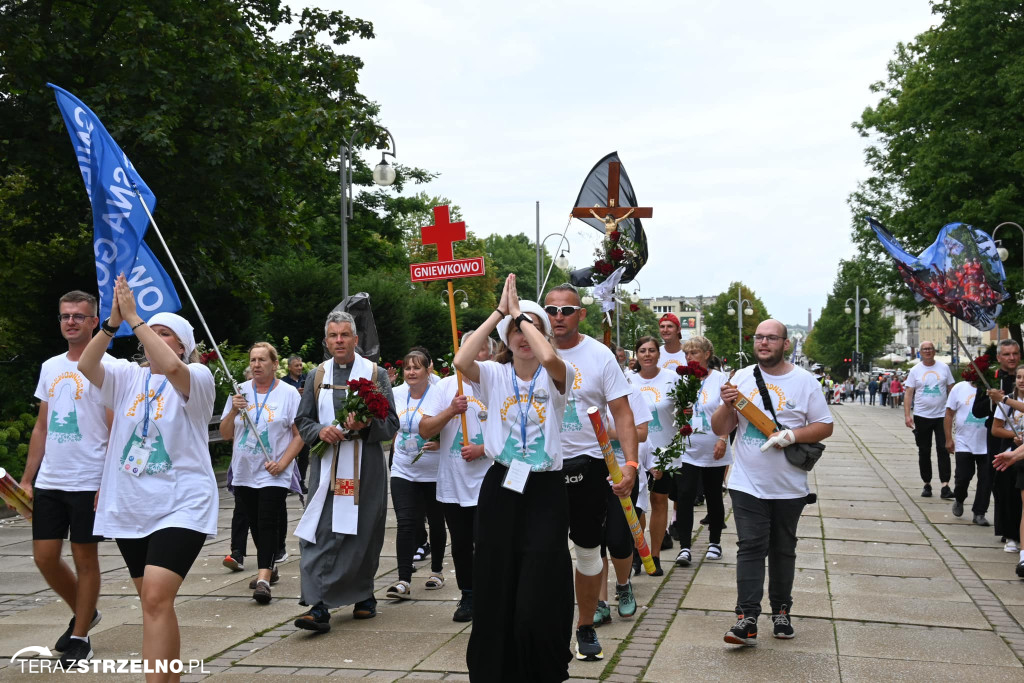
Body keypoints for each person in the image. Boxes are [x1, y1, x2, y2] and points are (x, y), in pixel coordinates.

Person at [79, 274, 218, 682]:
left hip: (182, 503)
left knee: (156, 597)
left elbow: (172, 366)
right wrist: (111, 323)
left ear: (182, 344)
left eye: (164, 333)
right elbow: (87, 364)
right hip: (131, 505)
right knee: (154, 605)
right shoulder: (126, 376)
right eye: (149, 333)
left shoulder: (197, 377)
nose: (152, 338)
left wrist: (137, 317)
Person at [455, 274, 573, 681]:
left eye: (533, 330)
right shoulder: (494, 375)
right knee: (496, 576)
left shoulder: (559, 374)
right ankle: (496, 666)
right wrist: (500, 314)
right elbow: (460, 361)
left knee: (539, 581)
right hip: (503, 484)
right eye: (516, 332)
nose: (523, 337)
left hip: (544, 490)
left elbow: (551, 360)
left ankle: (541, 664)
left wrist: (523, 317)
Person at [713, 320, 833, 646]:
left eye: (771, 338)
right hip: (746, 482)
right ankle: (746, 618)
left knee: (783, 549)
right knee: (750, 547)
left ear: (785, 344)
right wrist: (726, 404)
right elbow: (719, 427)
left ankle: (781, 610)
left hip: (789, 485)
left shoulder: (804, 381)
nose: (764, 343)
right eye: (759, 338)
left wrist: (791, 435)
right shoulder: (739, 377)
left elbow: (825, 425)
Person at [17, 291, 118, 667]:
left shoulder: (110, 367)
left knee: (84, 558)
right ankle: (85, 611)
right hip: (51, 479)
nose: (71, 322)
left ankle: (80, 637)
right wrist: (28, 479)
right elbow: (42, 426)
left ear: (95, 321)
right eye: (64, 316)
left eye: (78, 316)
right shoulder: (50, 367)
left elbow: (116, 429)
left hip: (88, 479)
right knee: (44, 557)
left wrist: (107, 482)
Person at [544, 283, 638, 662]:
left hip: (588, 464)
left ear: (581, 314)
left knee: (587, 552)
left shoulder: (599, 355)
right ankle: (547, 628)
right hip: (540, 468)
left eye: (566, 310)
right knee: (543, 553)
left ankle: (584, 626)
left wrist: (629, 464)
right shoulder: (530, 350)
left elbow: (623, 413)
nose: (558, 317)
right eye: (551, 310)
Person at [292, 311, 399, 630]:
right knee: (320, 532)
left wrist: (367, 424)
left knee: (363, 531)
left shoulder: (375, 374)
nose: (339, 340)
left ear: (356, 339)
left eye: (345, 335)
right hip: (327, 466)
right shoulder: (316, 375)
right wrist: (320, 432)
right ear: (326, 342)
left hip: (365, 465)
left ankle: (364, 593)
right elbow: (303, 420)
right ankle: (318, 604)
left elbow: (392, 423)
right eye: (333, 336)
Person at [219, 342, 304, 605]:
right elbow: (225, 434)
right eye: (253, 360)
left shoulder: (289, 394)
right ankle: (269, 566)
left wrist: (283, 463)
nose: (256, 365)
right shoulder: (240, 391)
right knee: (254, 522)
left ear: (275, 364)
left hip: (274, 471)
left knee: (267, 520)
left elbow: (299, 435)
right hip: (245, 469)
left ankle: (264, 578)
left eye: (262, 360)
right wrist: (234, 410)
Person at [419, 330, 493, 622]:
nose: (476, 355)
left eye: (483, 349)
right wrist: (451, 410)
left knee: (486, 541)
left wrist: (483, 449)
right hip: (454, 481)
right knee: (461, 542)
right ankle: (469, 595)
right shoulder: (446, 386)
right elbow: (425, 429)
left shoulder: (496, 382)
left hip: (488, 480)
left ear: (490, 353)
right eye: (470, 349)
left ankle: (491, 594)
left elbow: (515, 432)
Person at [386, 348, 448, 600]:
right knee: (406, 522)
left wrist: (441, 442)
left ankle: (436, 572)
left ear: (428, 369)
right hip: (402, 467)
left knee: (435, 521)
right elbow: (391, 423)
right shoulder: (396, 393)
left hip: (434, 470)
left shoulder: (440, 393)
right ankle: (403, 580)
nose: (411, 372)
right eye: (407, 368)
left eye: (416, 367)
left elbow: (455, 427)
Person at [672, 336, 731, 568]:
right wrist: (681, 413)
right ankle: (685, 546)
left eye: (694, 353)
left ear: (707, 355)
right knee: (685, 495)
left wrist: (723, 438)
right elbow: (675, 409)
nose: (689, 357)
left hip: (714, 447)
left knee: (713, 495)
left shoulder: (720, 379)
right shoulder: (684, 380)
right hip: (689, 448)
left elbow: (728, 410)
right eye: (687, 354)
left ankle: (714, 542)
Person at [630, 336, 678, 575]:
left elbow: (684, 408)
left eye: (651, 350)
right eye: (642, 350)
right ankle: (640, 552)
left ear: (659, 354)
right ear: (636, 355)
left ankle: (656, 555)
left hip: (665, 449)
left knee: (659, 502)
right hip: (636, 450)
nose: (647, 354)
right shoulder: (628, 380)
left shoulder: (671, 378)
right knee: (637, 506)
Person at [972, 340, 1020, 552]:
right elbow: (978, 411)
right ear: (999, 357)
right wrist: (993, 401)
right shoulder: (991, 380)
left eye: (1015, 354)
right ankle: (1007, 530)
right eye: (1007, 354)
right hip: (999, 439)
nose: (1012, 358)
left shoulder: (1022, 375)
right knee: (1002, 485)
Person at [904, 341, 955, 498]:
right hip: (921, 415)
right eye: (925, 349)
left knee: (943, 449)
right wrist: (907, 415)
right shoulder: (915, 370)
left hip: (941, 416)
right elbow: (909, 393)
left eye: (930, 349)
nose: (927, 351)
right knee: (924, 451)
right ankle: (927, 483)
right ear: (920, 352)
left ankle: (945, 485)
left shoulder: (944, 368)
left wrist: (955, 411)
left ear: (934, 351)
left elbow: (952, 389)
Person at [946, 376, 991, 525]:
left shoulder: (992, 389)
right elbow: (949, 413)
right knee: (963, 477)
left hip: (987, 443)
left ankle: (979, 512)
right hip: (963, 442)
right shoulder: (959, 388)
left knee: (986, 480)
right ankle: (959, 498)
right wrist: (948, 439)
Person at [989, 365, 1024, 553]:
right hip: (1013, 454)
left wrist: (1003, 399)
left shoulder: (1006, 400)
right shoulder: (1006, 402)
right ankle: (1011, 536)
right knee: (1010, 496)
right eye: (1018, 377)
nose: (1021, 380)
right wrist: (1013, 435)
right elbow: (996, 429)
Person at [281, 355, 310, 493]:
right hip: (288, 422)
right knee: (289, 452)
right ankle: (288, 481)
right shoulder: (283, 382)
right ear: (289, 367)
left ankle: (301, 481)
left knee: (304, 453)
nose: (299, 368)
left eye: (300, 365)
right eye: (296, 365)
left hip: (304, 421)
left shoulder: (307, 379)